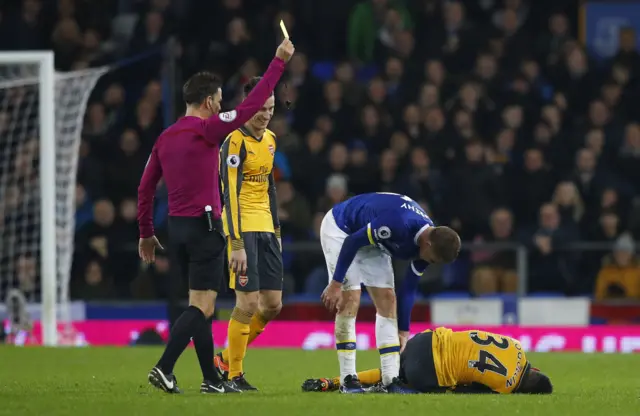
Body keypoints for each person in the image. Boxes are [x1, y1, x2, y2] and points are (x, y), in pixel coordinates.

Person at [137, 38, 295, 394]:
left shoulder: (164, 138)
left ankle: (211, 377)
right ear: (209, 102)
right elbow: (249, 107)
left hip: (174, 229)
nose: (223, 107)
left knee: (201, 306)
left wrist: (146, 233)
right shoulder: (208, 130)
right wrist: (278, 62)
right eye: (221, 102)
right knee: (202, 307)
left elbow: (145, 188)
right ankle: (164, 367)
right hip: (205, 226)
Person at [319, 192, 461, 393]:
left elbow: (409, 289)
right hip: (342, 228)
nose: (431, 264)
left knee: (388, 299)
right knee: (350, 298)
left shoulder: (429, 242)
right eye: (434, 260)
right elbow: (352, 242)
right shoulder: (398, 224)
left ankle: (390, 379)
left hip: (372, 239)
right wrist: (335, 283)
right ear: (428, 245)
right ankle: (348, 380)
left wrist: (403, 331)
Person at [212, 76, 283, 391]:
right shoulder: (234, 141)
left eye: (270, 108)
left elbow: (270, 188)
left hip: (267, 230)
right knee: (247, 304)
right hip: (242, 231)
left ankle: (225, 358)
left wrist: (277, 230)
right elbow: (228, 193)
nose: (266, 114)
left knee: (273, 305)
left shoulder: (270, 139)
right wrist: (237, 244)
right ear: (247, 106)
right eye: (261, 109)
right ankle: (233, 376)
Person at [302, 327, 553, 395]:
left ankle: (331, 381)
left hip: (425, 340)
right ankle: (352, 385)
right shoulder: (507, 387)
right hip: (428, 371)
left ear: (536, 368)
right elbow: (469, 391)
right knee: (396, 380)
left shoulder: (517, 345)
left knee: (391, 370)